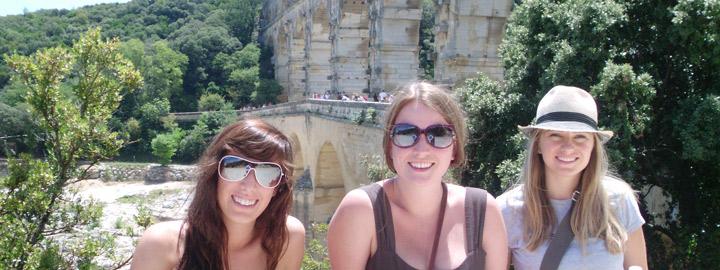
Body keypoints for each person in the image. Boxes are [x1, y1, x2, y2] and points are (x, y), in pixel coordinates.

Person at [327, 82, 508, 270]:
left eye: (439, 134)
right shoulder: (359, 211)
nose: (421, 150)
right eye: (406, 133)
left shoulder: (484, 211)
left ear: (455, 147)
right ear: (390, 146)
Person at [497, 85, 648, 270]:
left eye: (580, 137)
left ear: (593, 146)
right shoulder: (507, 210)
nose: (568, 147)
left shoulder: (619, 199)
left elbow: (637, 266)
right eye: (555, 135)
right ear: (537, 144)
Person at [131, 119, 305, 270]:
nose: (249, 185)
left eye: (267, 173)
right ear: (215, 173)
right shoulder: (161, 244)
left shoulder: (286, 238)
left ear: (277, 187)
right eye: (234, 167)